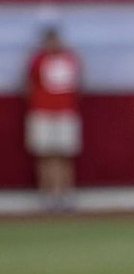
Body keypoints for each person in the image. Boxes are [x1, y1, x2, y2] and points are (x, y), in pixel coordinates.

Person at [23, 26, 82, 211]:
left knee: (64, 154)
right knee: (45, 154)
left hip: (65, 113)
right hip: (42, 113)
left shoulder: (70, 59)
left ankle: (65, 194)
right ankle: (47, 195)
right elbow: (28, 84)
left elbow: (78, 83)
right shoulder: (38, 60)